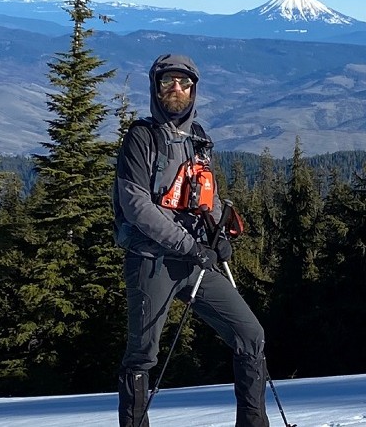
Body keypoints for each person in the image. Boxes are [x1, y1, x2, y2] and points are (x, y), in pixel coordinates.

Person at [112, 53, 269, 427]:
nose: (177, 89)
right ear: (156, 87)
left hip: (196, 259)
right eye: (168, 82)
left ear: (194, 89)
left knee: (250, 334)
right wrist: (190, 246)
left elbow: (206, 195)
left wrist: (220, 233)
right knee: (143, 356)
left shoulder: (200, 139)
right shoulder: (141, 137)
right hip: (152, 261)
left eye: (185, 83)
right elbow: (135, 205)